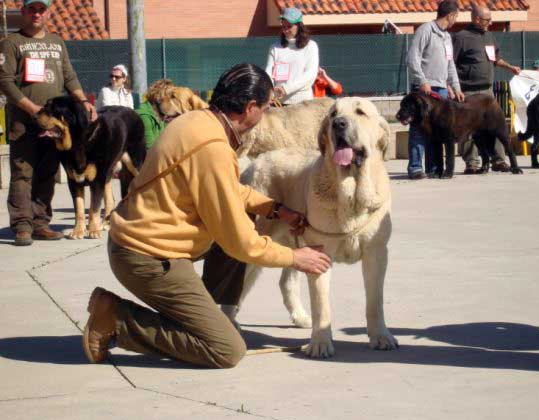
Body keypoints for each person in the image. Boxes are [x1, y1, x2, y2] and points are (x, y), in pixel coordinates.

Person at [81, 63, 332, 369]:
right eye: (266, 108)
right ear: (250, 107)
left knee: (247, 216)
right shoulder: (213, 147)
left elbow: (225, 190)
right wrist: (297, 258)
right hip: (146, 256)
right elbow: (241, 242)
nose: (265, 116)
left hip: (147, 243)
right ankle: (116, 320)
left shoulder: (198, 122)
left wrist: (275, 209)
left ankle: (207, 313)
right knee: (225, 349)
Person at [0, 0, 97, 246]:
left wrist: (84, 101)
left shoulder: (56, 42)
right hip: (24, 122)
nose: (36, 14)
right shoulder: (12, 43)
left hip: (54, 123)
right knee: (23, 173)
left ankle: (41, 223)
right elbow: (5, 81)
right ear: (23, 11)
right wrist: (31, 109)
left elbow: (69, 75)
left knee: (48, 171)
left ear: (47, 12)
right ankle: (22, 226)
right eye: (31, 9)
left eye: (41, 9)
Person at [453, 3, 521, 174]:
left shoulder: (489, 36)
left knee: (496, 125)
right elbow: (450, 64)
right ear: (476, 19)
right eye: (487, 20)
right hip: (467, 91)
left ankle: (499, 160)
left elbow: (495, 59)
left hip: (487, 91)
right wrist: (453, 88)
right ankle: (472, 163)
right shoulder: (460, 37)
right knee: (468, 129)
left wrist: (510, 67)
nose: (490, 23)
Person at [406, 0, 464, 179]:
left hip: (442, 91)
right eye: (456, 16)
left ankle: (432, 168)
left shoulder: (447, 37)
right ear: (451, 15)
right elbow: (412, 57)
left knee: (437, 131)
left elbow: (450, 64)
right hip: (423, 90)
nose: (456, 20)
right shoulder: (425, 30)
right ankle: (416, 168)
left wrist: (456, 86)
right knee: (418, 129)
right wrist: (422, 80)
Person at [265, 7, 319, 105]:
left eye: (289, 26)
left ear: (299, 26)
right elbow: (268, 72)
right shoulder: (275, 47)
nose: (285, 30)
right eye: (283, 26)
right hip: (278, 103)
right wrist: (269, 91)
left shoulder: (311, 46)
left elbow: (310, 74)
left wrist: (286, 89)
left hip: (303, 104)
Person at [135, 78, 173, 149]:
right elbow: (151, 147)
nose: (171, 103)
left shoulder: (162, 113)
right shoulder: (144, 116)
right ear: (158, 99)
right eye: (168, 99)